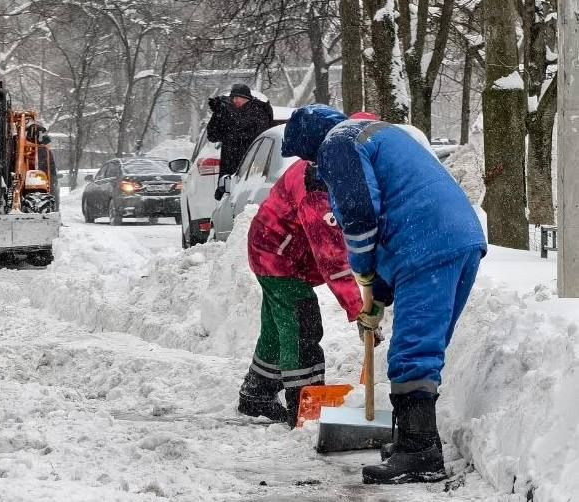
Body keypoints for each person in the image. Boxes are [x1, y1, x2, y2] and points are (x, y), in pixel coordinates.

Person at [281, 104, 487, 485]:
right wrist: (378, 296)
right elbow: (398, 202)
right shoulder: (379, 133)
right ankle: (414, 440)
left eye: (307, 157)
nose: (312, 165)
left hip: (426, 244)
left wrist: (361, 271)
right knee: (425, 345)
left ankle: (420, 451)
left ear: (310, 144)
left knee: (413, 351)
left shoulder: (337, 143)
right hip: (459, 237)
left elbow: (359, 215)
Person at [239, 157, 375, 428]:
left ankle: (258, 392)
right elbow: (333, 261)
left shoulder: (322, 161)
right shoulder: (318, 192)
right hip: (278, 257)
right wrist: (358, 310)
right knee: (302, 322)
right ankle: (305, 402)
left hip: (272, 248)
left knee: (278, 328)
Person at [206, 84, 273, 200]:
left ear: (247, 98)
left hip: (252, 169)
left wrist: (227, 112)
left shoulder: (258, 111)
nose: (235, 101)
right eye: (233, 98)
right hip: (229, 170)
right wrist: (218, 113)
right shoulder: (228, 112)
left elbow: (246, 132)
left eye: (238, 98)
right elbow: (212, 135)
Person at [38, 134, 59, 209]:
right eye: (49, 143)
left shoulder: (37, 149)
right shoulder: (45, 151)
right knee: (52, 193)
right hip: (45, 176)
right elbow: (51, 165)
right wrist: (54, 177)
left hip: (41, 176)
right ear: (47, 143)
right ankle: (53, 207)